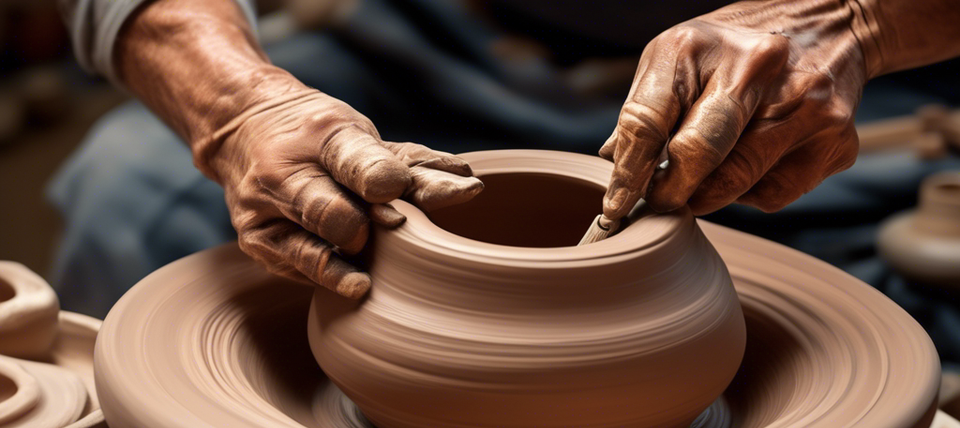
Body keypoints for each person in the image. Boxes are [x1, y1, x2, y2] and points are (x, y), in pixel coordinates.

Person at [54, 1, 959, 331]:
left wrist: (858, 20)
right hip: (452, 37)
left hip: (846, 86)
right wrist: (240, 106)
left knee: (881, 319)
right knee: (138, 185)